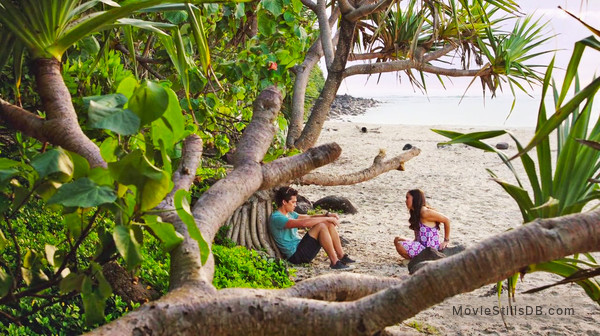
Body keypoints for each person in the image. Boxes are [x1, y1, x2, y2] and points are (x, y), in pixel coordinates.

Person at [269, 186, 356, 270]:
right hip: (295, 256)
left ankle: (341, 256)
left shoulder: (290, 214)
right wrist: (327, 218)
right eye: (293, 202)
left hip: (302, 249)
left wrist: (326, 215)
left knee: (328, 223)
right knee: (321, 225)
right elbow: (303, 223)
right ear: (284, 202)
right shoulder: (277, 218)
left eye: (296, 202)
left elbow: (308, 217)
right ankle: (334, 262)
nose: (295, 205)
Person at [394, 189, 451, 259]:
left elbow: (447, 220)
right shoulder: (415, 212)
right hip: (419, 244)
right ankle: (416, 259)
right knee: (397, 239)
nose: (405, 201)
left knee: (400, 246)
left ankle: (416, 261)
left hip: (429, 248)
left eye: (407, 198)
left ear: (414, 199)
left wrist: (446, 241)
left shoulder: (425, 212)